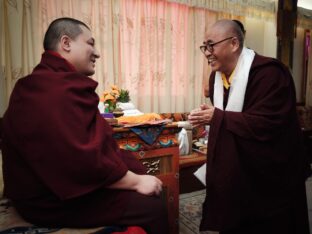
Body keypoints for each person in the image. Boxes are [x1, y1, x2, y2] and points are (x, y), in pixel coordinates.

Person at [1, 17, 169, 234]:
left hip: (55, 188)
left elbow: (91, 144)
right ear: (66, 43)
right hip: (49, 200)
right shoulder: (51, 90)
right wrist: (135, 182)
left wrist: (134, 172)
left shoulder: (43, 83)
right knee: (151, 207)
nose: (97, 52)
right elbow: (78, 161)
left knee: (138, 168)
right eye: (90, 43)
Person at [189, 19, 310, 234]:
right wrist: (214, 117)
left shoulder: (270, 74)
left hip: (270, 175)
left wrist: (218, 117)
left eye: (211, 45)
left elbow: (267, 124)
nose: (206, 52)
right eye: (204, 47)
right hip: (236, 168)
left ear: (234, 43)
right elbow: (226, 118)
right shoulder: (215, 79)